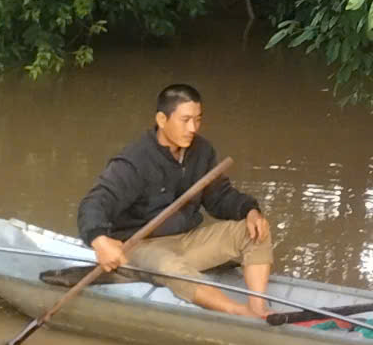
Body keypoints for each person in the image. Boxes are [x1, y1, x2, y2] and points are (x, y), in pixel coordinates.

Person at [77, 83, 275, 318]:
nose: (193, 128)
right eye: (185, 120)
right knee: (170, 267)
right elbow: (95, 202)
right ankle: (239, 313)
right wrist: (100, 241)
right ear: (162, 119)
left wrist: (250, 211)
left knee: (254, 231)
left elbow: (220, 197)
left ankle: (258, 307)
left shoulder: (201, 151)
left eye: (198, 119)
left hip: (186, 241)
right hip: (139, 248)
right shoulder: (134, 161)